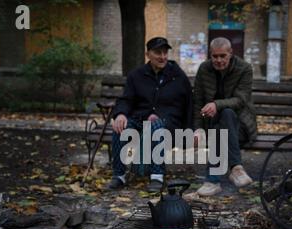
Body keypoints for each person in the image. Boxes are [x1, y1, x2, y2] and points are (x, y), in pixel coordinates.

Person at [108, 37, 193, 192]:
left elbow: (188, 105)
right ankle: (119, 175)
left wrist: (189, 130)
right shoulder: (137, 75)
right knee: (119, 127)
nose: (163, 57)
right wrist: (120, 114)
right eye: (158, 53)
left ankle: (157, 176)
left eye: (165, 52)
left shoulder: (177, 76)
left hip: (168, 124)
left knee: (156, 126)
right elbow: (126, 99)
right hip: (139, 120)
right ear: (148, 54)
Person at [193, 37, 257, 196]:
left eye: (223, 56)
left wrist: (216, 104)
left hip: (241, 126)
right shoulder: (204, 69)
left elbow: (241, 100)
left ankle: (212, 181)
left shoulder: (244, 68)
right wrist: (198, 129)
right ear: (210, 55)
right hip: (213, 124)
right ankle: (236, 169)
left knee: (226, 114)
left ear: (231, 53)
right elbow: (197, 102)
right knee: (218, 128)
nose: (219, 60)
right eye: (215, 56)